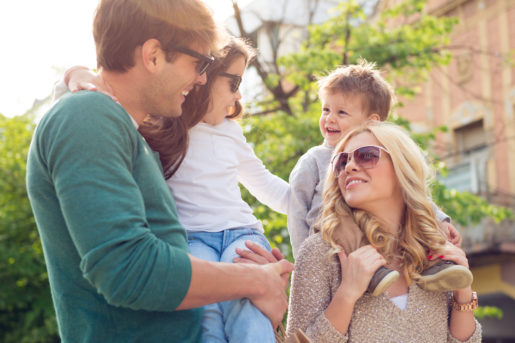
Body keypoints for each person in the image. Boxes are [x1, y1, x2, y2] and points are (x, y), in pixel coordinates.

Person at [26, 1, 292, 342]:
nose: (200, 79)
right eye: (198, 63)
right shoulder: (87, 116)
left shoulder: (124, 131)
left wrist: (251, 309)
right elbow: (130, 270)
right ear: (153, 55)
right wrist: (257, 281)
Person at [286, 121, 481, 342]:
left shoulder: (432, 256)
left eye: (366, 155)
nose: (349, 166)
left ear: (401, 167)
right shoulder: (321, 252)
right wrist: (347, 294)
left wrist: (463, 292)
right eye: (341, 161)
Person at [286, 61, 469, 295]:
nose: (329, 119)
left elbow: (407, 189)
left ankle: (435, 265)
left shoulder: (385, 157)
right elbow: (297, 209)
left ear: (372, 121)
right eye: (325, 110)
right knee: (344, 220)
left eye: (341, 112)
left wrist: (440, 218)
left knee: (414, 222)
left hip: (379, 234)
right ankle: (375, 273)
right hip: (332, 240)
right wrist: (303, 260)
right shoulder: (314, 159)